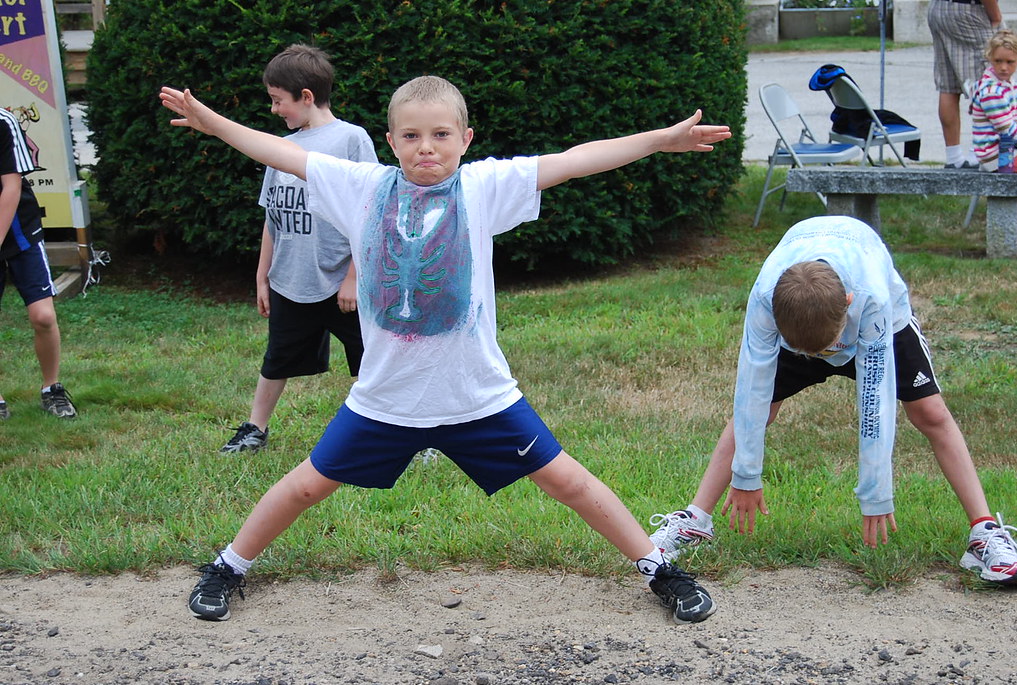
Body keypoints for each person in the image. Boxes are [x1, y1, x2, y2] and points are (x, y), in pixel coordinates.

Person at [160, 75, 731, 624]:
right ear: (390, 142)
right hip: (385, 400)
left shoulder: (484, 188)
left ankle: (659, 570)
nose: (426, 148)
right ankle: (227, 566)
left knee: (570, 483)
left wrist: (662, 141)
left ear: (466, 139)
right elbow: (277, 151)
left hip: (478, 397)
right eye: (410, 136)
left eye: (440, 135)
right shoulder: (360, 186)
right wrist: (213, 123)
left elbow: (577, 158)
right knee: (306, 484)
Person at [649, 215, 1017, 586]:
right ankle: (695, 521)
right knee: (757, 412)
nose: (823, 357)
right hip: (806, 320)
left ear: (848, 302)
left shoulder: (871, 297)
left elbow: (875, 403)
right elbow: (751, 391)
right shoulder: (766, 298)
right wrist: (746, 476)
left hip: (876, 328)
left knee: (930, 412)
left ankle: (985, 532)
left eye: (827, 349)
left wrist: (876, 493)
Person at [220, 44, 378, 454]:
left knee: (374, 361)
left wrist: (354, 277)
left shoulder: (351, 139)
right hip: (291, 279)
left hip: (342, 284)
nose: (274, 110)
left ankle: (412, 431)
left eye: (278, 100)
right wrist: (262, 275)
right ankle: (255, 428)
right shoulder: (281, 149)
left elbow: (369, 214)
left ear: (306, 97)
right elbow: (272, 216)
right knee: (278, 358)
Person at [0, 107, 77, 420]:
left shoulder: (3, 121)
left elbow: (11, 187)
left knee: (43, 316)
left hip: (18, 232)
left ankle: (52, 389)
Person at [927, 0, 1002, 169]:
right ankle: (979, 154)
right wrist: (995, 16)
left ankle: (953, 157)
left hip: (938, 8)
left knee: (948, 85)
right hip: (969, 10)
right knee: (988, 83)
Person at [970, 29, 1017, 172]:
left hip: (1013, 148)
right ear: (990, 57)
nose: (1003, 67)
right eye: (998, 61)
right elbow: (1007, 130)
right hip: (996, 156)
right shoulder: (991, 92)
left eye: (1009, 62)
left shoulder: (1011, 84)